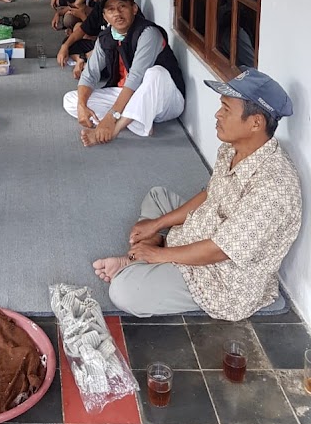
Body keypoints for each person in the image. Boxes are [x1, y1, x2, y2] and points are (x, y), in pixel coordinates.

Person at [94, 69, 301, 321]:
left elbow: (220, 250)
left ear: (256, 122)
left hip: (221, 277)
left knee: (124, 290)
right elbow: (209, 194)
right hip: (205, 228)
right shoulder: (232, 148)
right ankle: (150, 250)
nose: (217, 114)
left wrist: (159, 255)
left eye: (226, 109)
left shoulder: (274, 187)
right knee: (157, 195)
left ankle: (140, 260)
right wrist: (157, 224)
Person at [63, 0, 185, 145]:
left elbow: (135, 78)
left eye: (122, 7)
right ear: (105, 16)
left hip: (165, 100)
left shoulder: (148, 33)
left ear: (134, 9)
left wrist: (110, 118)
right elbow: (89, 75)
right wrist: (81, 105)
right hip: (129, 95)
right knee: (71, 100)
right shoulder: (105, 38)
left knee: (156, 73)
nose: (117, 13)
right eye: (111, 9)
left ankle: (115, 129)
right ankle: (135, 117)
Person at [57, 0, 115, 74]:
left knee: (103, 64)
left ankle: (84, 63)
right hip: (100, 46)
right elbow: (82, 29)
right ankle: (81, 61)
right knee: (69, 42)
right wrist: (65, 46)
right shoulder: (100, 4)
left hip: (115, 52)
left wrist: (84, 57)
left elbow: (113, 45)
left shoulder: (115, 5)